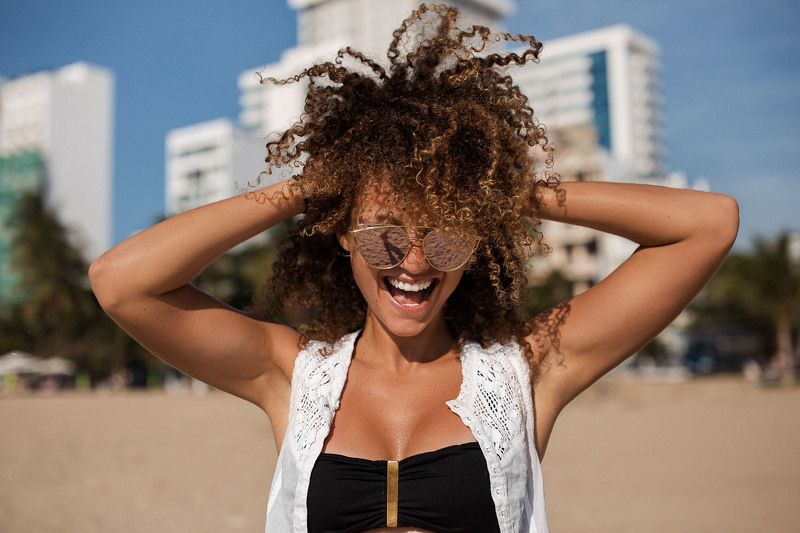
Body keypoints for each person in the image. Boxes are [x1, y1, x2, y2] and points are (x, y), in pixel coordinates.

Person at [88, 4, 739, 533]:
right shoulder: (291, 374)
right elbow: (121, 281)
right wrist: (310, 188)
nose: (418, 262)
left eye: (449, 234)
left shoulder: (527, 370)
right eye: (386, 234)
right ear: (342, 232)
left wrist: (508, 191)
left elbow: (708, 226)